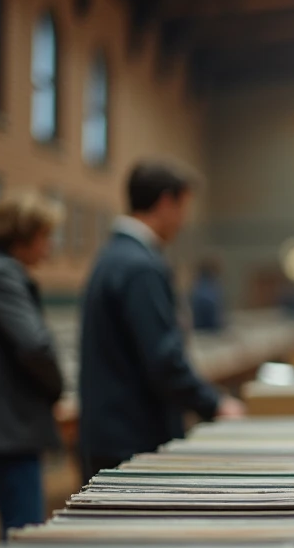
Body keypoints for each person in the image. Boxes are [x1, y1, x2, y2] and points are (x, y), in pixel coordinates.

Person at [79, 161, 244, 483]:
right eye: (183, 208)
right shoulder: (141, 266)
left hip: (111, 431)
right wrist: (215, 404)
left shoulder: (113, 256)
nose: (183, 222)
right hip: (133, 435)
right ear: (166, 203)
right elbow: (163, 357)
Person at [0, 192, 64, 537]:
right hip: (10, 428)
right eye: (44, 237)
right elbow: (34, 344)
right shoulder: (1, 275)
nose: (48, 248)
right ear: (23, 235)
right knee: (25, 535)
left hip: (2, 426)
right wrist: (55, 386)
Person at [190, 259, 225, 332]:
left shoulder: (197, 287)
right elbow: (214, 321)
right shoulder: (208, 292)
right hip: (207, 331)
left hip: (199, 330)